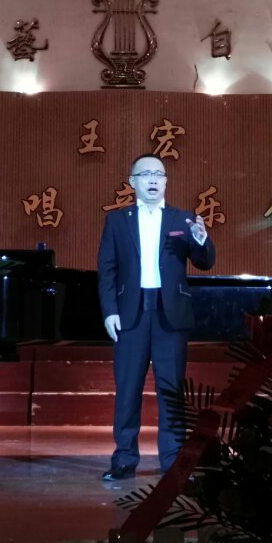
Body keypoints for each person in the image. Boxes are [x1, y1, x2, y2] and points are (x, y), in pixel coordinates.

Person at [97, 154, 215, 481]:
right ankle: (124, 459)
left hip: (170, 316)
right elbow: (106, 269)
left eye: (159, 174)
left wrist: (201, 239)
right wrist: (109, 312)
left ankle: (173, 461)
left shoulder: (182, 219)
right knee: (127, 390)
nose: (153, 179)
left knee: (171, 390)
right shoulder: (117, 221)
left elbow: (204, 262)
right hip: (130, 315)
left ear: (165, 181)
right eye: (146, 174)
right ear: (132, 181)